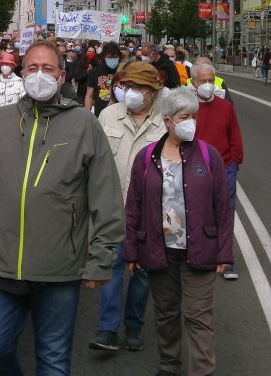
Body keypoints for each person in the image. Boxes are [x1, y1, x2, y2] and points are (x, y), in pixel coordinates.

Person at [0, 41, 125, 376]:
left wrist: (101, 257)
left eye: (48, 69)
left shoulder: (85, 126)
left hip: (59, 270)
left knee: (54, 360)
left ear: (61, 76)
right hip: (0, 266)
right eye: (32, 68)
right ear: (21, 72)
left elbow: (106, 196)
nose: (40, 75)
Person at [123, 87, 232, 376]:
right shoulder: (146, 158)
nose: (191, 123)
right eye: (185, 117)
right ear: (168, 120)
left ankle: (202, 371)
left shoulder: (209, 157)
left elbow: (223, 206)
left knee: (198, 317)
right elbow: (133, 206)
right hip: (159, 251)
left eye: (194, 117)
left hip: (200, 251)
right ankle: (169, 364)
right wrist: (131, 250)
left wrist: (224, 252)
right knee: (166, 314)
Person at [90, 62, 166, 352]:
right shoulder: (108, 115)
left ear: (153, 91)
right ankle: (107, 329)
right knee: (111, 267)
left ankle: (134, 325)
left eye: (139, 88)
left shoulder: (164, 122)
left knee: (143, 273)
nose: (132, 93)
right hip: (113, 209)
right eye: (128, 87)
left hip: (149, 214)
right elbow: (93, 160)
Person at [189, 63, 243, 280]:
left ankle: (225, 259)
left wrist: (234, 163)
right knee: (197, 212)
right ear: (194, 83)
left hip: (224, 167)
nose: (208, 85)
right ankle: (199, 254)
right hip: (195, 167)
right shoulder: (188, 108)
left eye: (211, 80)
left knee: (225, 213)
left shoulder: (225, 107)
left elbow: (235, 137)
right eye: (203, 81)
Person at [85, 41, 121, 117]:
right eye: (109, 57)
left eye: (115, 57)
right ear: (104, 57)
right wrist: (87, 115)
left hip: (119, 115)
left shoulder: (122, 71)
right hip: (100, 114)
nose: (112, 60)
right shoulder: (96, 71)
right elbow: (89, 96)